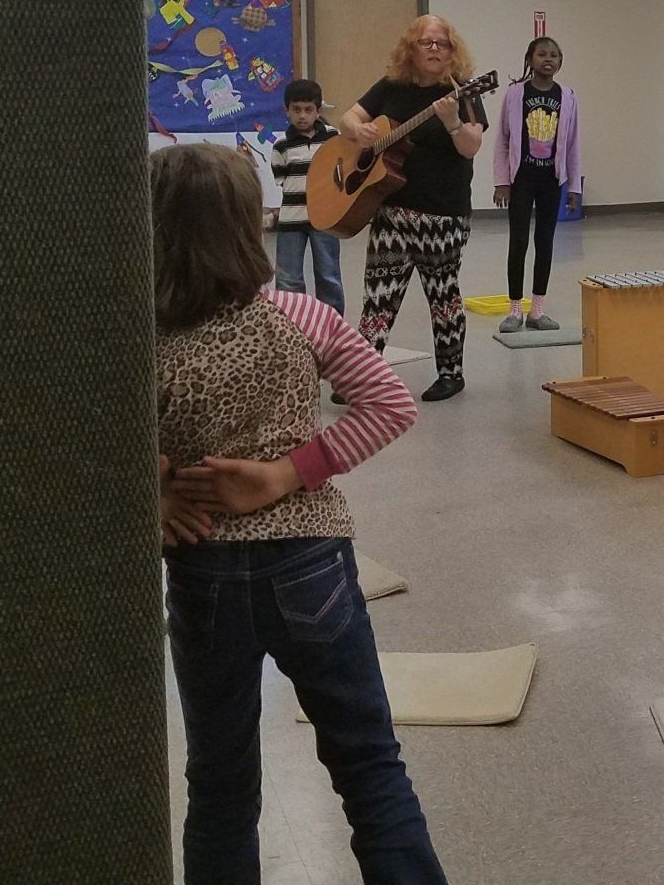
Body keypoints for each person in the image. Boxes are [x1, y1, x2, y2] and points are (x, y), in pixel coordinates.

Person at [150, 144, 447, 884]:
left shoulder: (137, 340)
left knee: (218, 784)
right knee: (370, 765)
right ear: (254, 224)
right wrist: (289, 473)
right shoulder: (300, 314)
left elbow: (85, 447)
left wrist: (152, 492)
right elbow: (390, 403)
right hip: (312, 561)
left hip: (203, 573)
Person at [342, 14, 487, 401]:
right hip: (391, 208)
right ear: (412, 48)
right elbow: (349, 117)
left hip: (443, 214)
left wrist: (453, 122)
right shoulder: (391, 87)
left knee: (442, 294)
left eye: (443, 44)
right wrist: (360, 131)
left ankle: (451, 374)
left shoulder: (464, 92)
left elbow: (471, 146)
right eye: (427, 42)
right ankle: (362, 378)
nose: (436, 49)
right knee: (378, 297)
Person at [492, 35, 581, 333]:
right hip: (522, 179)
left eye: (554, 55)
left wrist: (573, 187)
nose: (548, 59)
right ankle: (515, 309)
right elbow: (502, 140)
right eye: (542, 54)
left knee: (545, 242)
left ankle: (537, 309)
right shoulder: (516, 94)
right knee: (518, 242)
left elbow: (572, 145)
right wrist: (502, 181)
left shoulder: (567, 96)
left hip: (550, 181)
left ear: (561, 61)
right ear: (530, 59)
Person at [264, 78, 345, 316]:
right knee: (289, 278)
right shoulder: (281, 146)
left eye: (309, 110)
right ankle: (292, 326)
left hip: (326, 220)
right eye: (296, 109)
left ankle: (332, 327)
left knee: (328, 275)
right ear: (286, 110)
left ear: (318, 111)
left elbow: (340, 172)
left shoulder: (333, 138)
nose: (302, 116)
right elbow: (281, 178)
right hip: (291, 220)